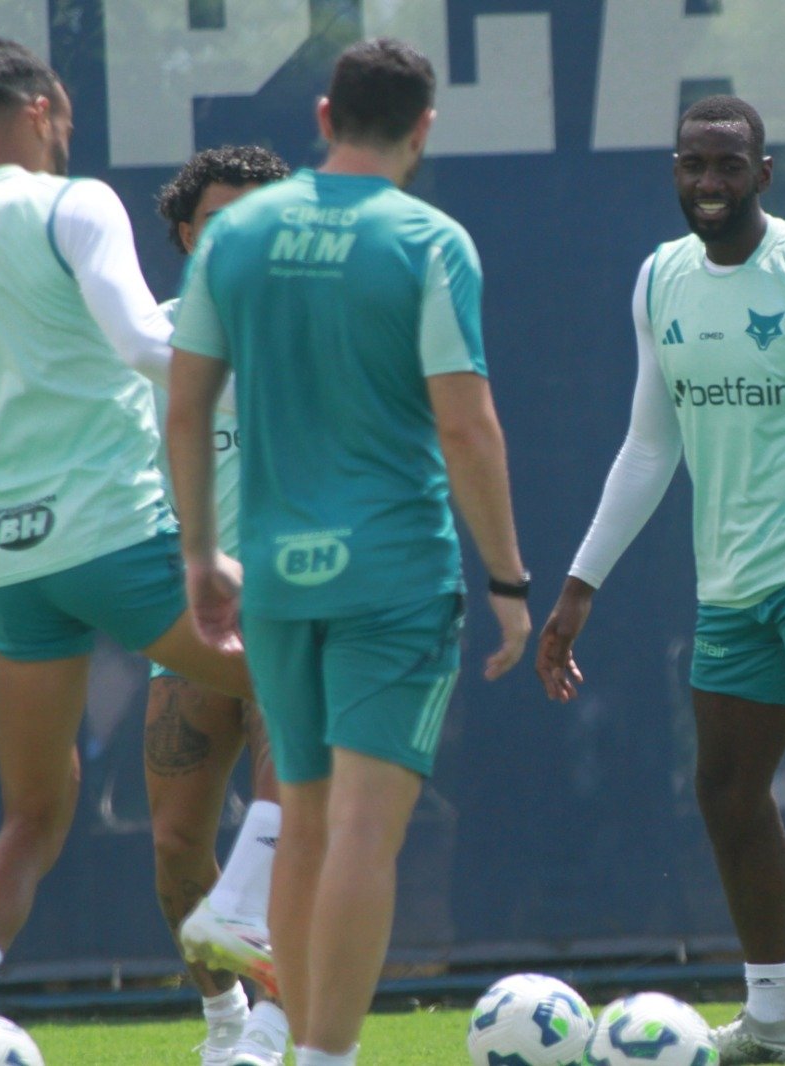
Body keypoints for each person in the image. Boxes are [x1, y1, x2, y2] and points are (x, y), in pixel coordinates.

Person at [536, 95, 785, 1064]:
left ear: (763, 172)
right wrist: (581, 584)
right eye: (691, 166)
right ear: (675, 172)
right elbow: (646, 444)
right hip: (730, 581)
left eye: (726, 166)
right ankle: (775, 1018)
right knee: (723, 789)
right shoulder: (660, 280)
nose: (707, 184)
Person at [166, 38, 530, 1066]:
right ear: (423, 128)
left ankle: (292, 1045)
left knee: (303, 823)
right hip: (396, 578)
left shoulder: (234, 238)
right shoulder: (430, 241)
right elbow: (468, 427)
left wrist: (201, 556)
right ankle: (324, 1056)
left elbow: (186, 408)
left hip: (276, 578)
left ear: (324, 116)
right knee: (363, 833)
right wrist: (508, 581)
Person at [0, 39, 254, 1020]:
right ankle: (244, 910)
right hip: (112, 532)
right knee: (315, 670)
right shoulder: (75, 202)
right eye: (59, 117)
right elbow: (146, 340)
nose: (65, 131)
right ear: (42, 107)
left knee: (30, 815)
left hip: (12, 558)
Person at [150, 146, 295, 1066]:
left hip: (295, 615)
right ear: (184, 233)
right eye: (217, 220)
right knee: (175, 849)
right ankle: (229, 1020)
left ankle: (281, 1029)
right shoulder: (146, 340)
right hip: (189, 629)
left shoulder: (315, 331)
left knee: (285, 837)